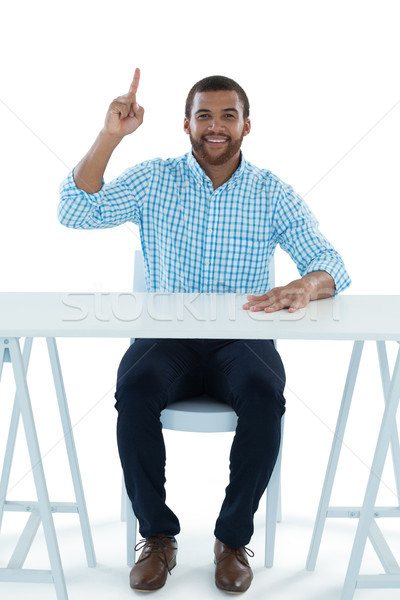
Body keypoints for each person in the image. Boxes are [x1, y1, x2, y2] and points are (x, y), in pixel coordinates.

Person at [58, 68, 351, 593]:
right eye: (204, 116)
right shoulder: (155, 180)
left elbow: (330, 263)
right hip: (166, 336)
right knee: (135, 388)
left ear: (246, 126)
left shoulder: (271, 192)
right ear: (187, 124)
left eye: (227, 116)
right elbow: (75, 209)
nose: (216, 126)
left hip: (243, 340)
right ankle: (158, 537)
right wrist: (110, 136)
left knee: (265, 393)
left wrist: (306, 286)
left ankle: (233, 540)